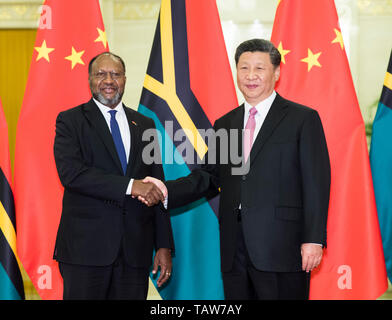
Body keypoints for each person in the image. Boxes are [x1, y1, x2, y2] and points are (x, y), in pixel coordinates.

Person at [143, 39, 330, 300]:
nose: (250, 76)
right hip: (234, 248)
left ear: (276, 73)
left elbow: (316, 183)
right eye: (244, 68)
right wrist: (165, 189)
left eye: (259, 69)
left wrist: (313, 239)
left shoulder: (302, 119)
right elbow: (208, 177)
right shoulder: (226, 123)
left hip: (282, 246)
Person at [53, 52, 174, 300]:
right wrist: (131, 186)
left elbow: (155, 185)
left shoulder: (145, 124)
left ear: (125, 79)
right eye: (101, 74)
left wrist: (163, 245)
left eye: (115, 74)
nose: (109, 80)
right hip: (85, 252)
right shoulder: (70, 121)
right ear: (89, 79)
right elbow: (72, 174)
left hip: (134, 252)